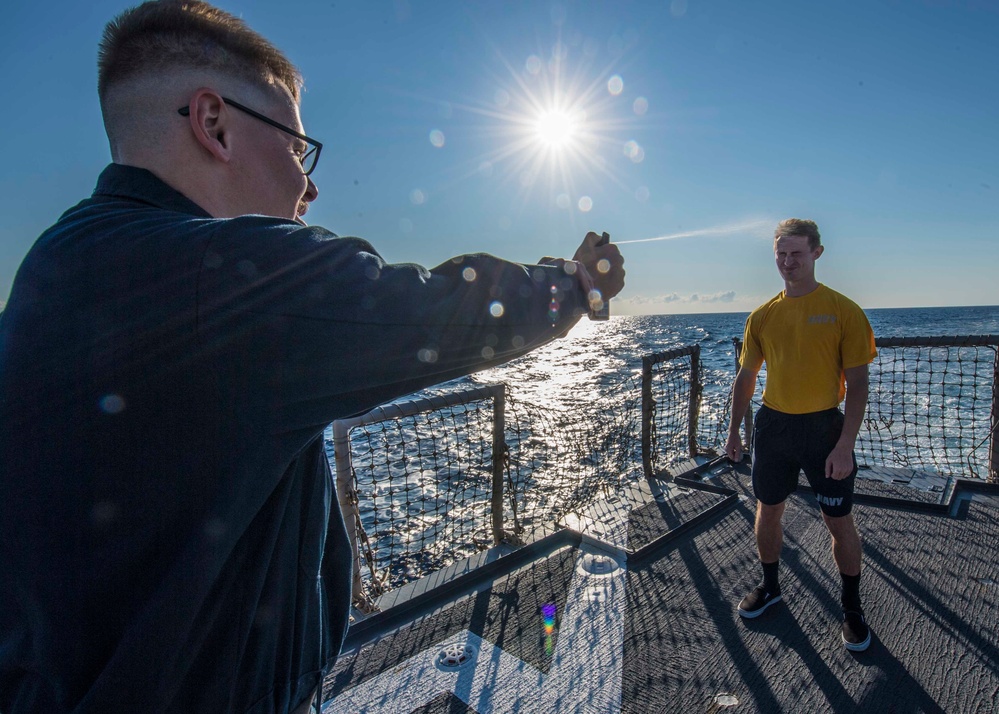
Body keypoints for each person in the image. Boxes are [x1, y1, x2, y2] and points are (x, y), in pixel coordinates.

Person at [0, 2, 625, 712]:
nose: (310, 184)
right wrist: (575, 284)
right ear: (215, 124)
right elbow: (430, 307)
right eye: (298, 149)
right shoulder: (225, 274)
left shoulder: (54, 262)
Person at [724, 218, 876, 653]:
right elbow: (746, 378)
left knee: (837, 520)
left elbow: (858, 384)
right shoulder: (762, 316)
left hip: (824, 429)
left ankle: (852, 608)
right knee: (768, 510)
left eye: (796, 253)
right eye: (781, 254)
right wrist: (733, 432)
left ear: (816, 253)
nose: (788, 262)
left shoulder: (843, 310)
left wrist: (845, 445)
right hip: (774, 427)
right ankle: (771, 587)